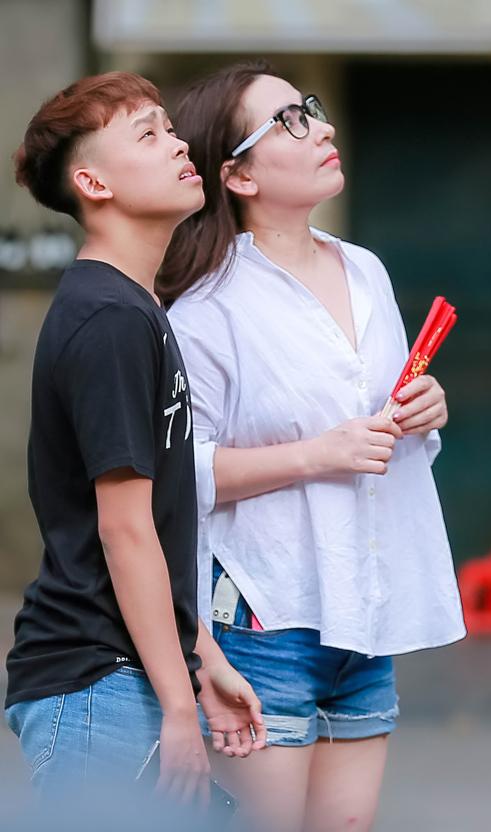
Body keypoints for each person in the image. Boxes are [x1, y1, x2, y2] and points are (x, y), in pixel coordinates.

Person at [161, 61, 465, 832]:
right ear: (239, 176)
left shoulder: (364, 269)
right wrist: (316, 455)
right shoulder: (207, 305)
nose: (322, 128)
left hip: (363, 607)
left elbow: (384, 433)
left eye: (311, 110)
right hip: (264, 617)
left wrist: (425, 412)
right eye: (290, 122)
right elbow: (176, 474)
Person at [4, 71, 266, 803]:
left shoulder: (133, 305)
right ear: (93, 183)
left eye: (170, 129)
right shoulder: (110, 318)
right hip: (96, 683)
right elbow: (124, 530)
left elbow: (159, 526)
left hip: (122, 674)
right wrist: (180, 704)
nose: (177, 145)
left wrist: (202, 661)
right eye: (147, 135)